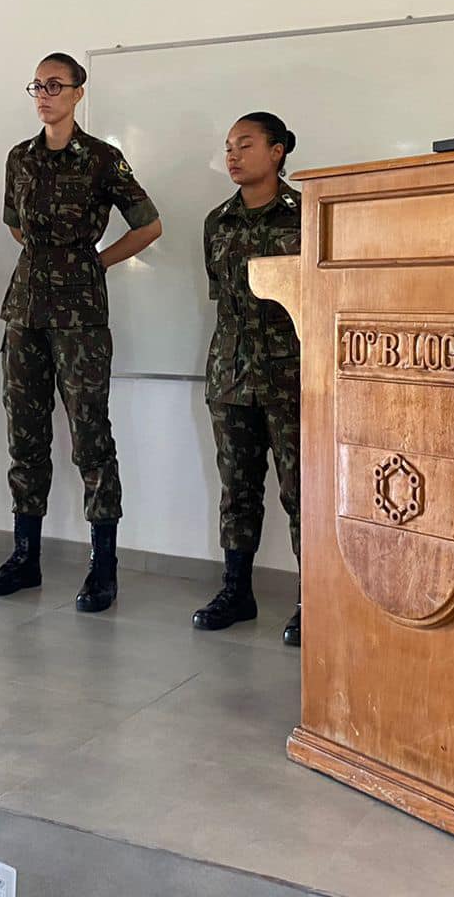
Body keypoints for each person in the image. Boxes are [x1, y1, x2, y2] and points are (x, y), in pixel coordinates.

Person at [0, 53, 162, 611]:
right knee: (25, 435)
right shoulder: (19, 157)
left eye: (56, 85)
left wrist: (95, 262)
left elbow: (149, 224)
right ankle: (25, 556)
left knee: (90, 435)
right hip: (25, 309)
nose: (45, 94)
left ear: (79, 93)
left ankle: (102, 566)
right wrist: (48, 262)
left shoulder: (103, 158)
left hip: (80, 314)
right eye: (37, 85)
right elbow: (15, 224)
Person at [191, 114, 303, 645]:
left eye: (246, 144)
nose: (233, 155)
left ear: (278, 152)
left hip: (292, 372)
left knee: (303, 492)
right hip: (231, 371)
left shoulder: (308, 214)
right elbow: (222, 294)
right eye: (228, 146)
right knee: (237, 490)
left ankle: (314, 600)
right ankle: (237, 589)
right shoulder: (218, 220)